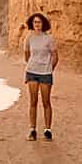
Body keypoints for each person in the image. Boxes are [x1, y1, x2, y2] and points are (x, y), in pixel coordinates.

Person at [24, 12, 58, 142]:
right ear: (32, 24)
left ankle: (47, 130)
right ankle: (32, 130)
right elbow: (26, 54)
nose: (37, 24)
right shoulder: (29, 38)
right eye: (35, 22)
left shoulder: (49, 38)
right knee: (33, 102)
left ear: (43, 23)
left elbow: (55, 56)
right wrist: (32, 65)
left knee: (46, 101)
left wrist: (49, 69)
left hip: (45, 73)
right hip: (32, 72)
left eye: (39, 22)